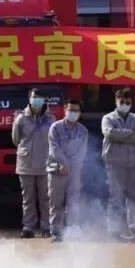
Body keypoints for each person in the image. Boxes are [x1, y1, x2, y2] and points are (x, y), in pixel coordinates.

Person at [12, 88, 55, 238]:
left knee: (46, 198)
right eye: (34, 97)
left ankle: (46, 227)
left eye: (39, 98)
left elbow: (54, 141)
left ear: (44, 100)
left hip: (45, 164)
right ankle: (28, 227)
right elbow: (15, 140)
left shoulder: (51, 119)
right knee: (28, 199)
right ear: (29, 98)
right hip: (26, 164)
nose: (36, 100)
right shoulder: (21, 119)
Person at [101, 87, 135, 241]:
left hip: (133, 162)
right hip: (114, 163)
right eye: (122, 101)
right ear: (116, 101)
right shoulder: (108, 118)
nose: (124, 104)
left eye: (127, 102)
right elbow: (110, 133)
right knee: (115, 197)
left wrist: (121, 135)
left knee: (133, 197)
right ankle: (114, 230)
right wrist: (131, 134)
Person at [47, 98, 88, 242]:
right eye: (70, 110)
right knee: (56, 203)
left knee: (73, 203)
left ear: (80, 113)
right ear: (65, 110)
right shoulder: (55, 127)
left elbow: (82, 151)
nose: (73, 113)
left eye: (76, 110)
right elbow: (54, 148)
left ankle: (71, 231)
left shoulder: (83, 131)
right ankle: (56, 233)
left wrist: (73, 166)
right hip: (56, 169)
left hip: (74, 171)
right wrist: (64, 164)